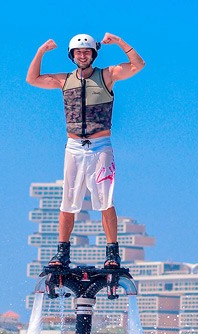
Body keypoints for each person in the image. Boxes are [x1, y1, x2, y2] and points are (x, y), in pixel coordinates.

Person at [26, 33, 145, 269]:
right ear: (72, 56)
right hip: (74, 147)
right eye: (78, 52)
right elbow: (32, 79)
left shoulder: (107, 75)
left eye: (87, 51)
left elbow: (138, 65)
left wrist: (120, 42)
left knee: (105, 201)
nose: (83, 55)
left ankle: (112, 253)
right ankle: (62, 252)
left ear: (93, 54)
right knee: (68, 201)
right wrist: (41, 50)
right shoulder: (64, 80)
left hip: (100, 147)